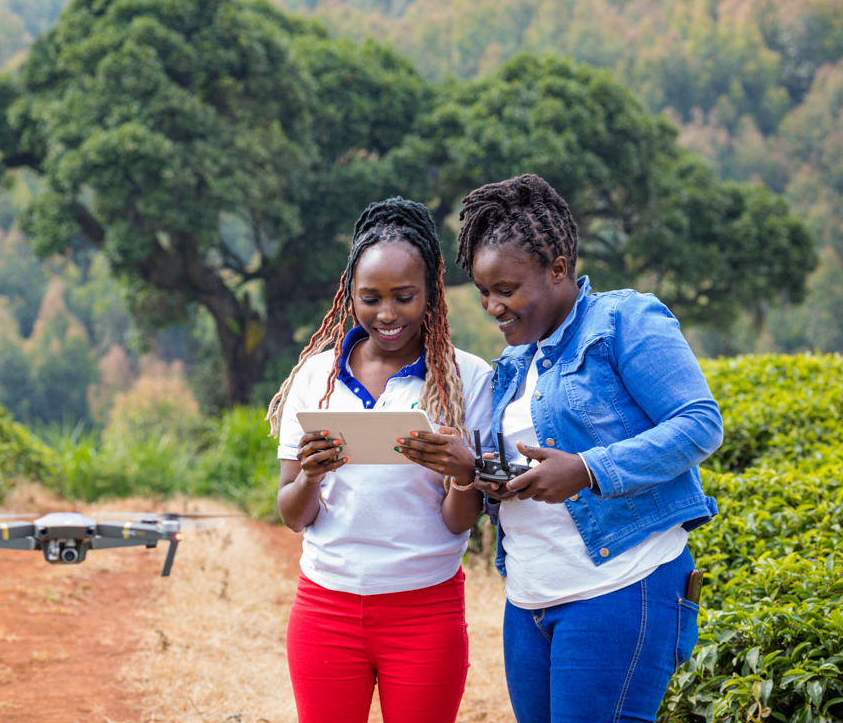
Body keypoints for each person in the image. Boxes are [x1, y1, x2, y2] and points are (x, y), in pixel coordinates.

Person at [454, 174, 723, 723]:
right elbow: (526, 473)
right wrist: (475, 472)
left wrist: (588, 470)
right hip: (528, 600)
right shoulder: (511, 367)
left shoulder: (623, 319)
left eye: (506, 289)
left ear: (558, 268)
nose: (492, 306)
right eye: (484, 292)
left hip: (618, 588)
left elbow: (700, 423)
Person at [266, 197, 493, 723]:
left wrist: (463, 475)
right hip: (326, 607)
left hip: (426, 610)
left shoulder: (465, 380)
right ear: (350, 294)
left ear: (432, 293)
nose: (386, 314)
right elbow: (292, 513)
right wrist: (311, 475)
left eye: (404, 297)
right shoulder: (315, 378)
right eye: (370, 298)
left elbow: (460, 521)